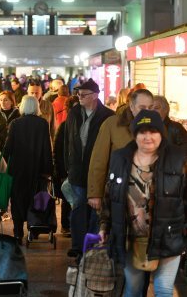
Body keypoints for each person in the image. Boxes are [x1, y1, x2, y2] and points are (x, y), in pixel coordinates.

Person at [99, 109, 187, 297]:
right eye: (142, 131)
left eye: (153, 131)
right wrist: (104, 226)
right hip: (131, 239)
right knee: (133, 290)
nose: (148, 137)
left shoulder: (179, 159)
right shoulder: (119, 158)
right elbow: (110, 196)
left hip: (168, 237)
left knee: (163, 290)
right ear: (135, 134)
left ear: (161, 134)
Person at [64, 79, 114, 257]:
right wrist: (67, 167)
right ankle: (77, 246)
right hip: (77, 171)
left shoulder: (108, 116)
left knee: (96, 212)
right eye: (78, 94)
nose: (79, 97)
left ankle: (92, 247)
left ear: (95, 96)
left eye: (83, 95)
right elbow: (67, 141)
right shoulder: (74, 113)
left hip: (98, 173)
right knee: (78, 209)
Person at [88, 89, 154, 211]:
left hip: (149, 195)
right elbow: (99, 160)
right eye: (142, 107)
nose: (147, 112)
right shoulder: (112, 125)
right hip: (118, 192)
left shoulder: (157, 128)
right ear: (132, 107)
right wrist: (95, 193)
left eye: (150, 107)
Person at [3, 96, 52, 245]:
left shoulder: (15, 124)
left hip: (17, 169)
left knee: (17, 199)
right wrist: (48, 169)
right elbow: (46, 148)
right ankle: (34, 229)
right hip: (37, 168)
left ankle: (18, 232)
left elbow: (8, 147)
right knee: (35, 198)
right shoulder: (43, 123)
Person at [53, 95, 79, 237]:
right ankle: (66, 225)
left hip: (79, 170)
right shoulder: (64, 126)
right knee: (66, 198)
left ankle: (75, 225)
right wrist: (61, 172)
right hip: (67, 170)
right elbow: (57, 150)